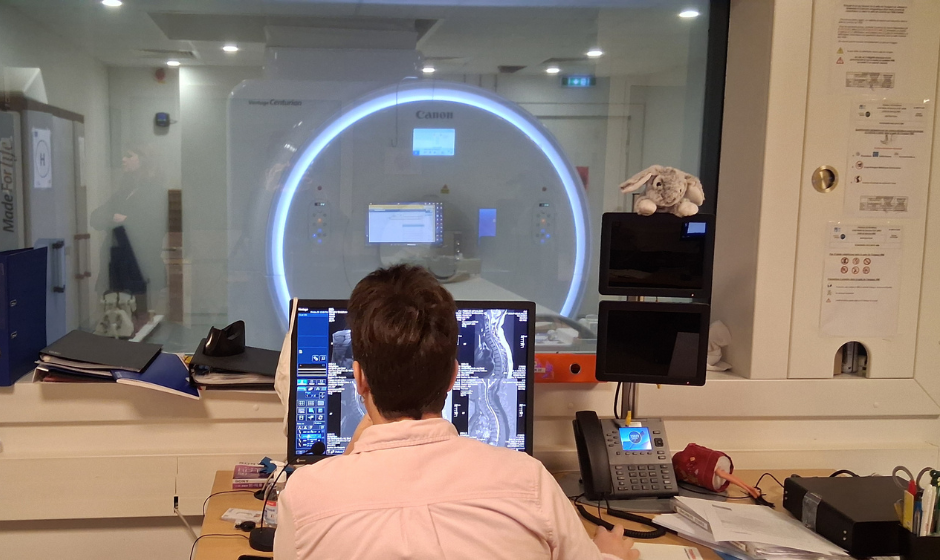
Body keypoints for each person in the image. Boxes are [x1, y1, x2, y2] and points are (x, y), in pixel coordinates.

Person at [273, 265, 640, 560]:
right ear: (453, 376)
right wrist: (608, 554)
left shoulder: (305, 497)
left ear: (359, 379)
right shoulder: (530, 483)